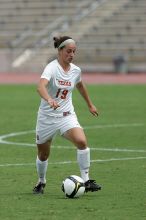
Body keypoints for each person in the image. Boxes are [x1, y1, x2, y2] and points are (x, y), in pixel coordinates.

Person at [33, 36, 101, 194]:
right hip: (47, 118)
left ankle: (86, 180)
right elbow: (40, 87)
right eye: (68, 51)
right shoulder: (51, 68)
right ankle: (41, 182)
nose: (71, 54)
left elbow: (80, 85)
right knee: (43, 154)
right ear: (60, 51)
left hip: (66, 115)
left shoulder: (76, 70)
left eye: (74, 52)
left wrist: (90, 104)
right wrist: (49, 99)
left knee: (82, 141)